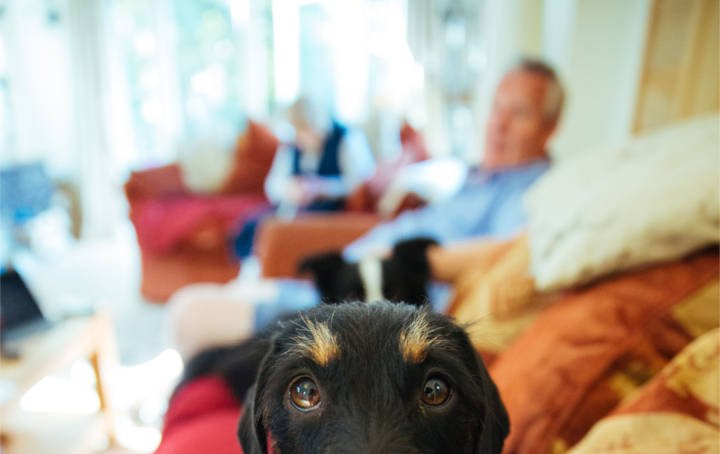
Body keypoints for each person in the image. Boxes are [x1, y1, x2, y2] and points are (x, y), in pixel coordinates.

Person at [170, 58, 564, 356]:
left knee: (188, 313)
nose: (499, 124)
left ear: (549, 128)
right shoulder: (479, 175)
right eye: (497, 107)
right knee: (227, 290)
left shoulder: (535, 190)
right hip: (349, 285)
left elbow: (514, 253)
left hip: (375, 306)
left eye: (519, 113)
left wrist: (404, 260)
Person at [233, 97, 376, 258]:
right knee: (252, 224)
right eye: (299, 131)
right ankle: (251, 269)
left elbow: (362, 182)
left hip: (329, 206)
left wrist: (323, 188)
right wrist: (290, 189)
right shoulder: (291, 145)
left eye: (307, 130)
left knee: (292, 227)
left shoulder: (346, 138)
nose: (303, 137)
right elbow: (272, 185)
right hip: (293, 205)